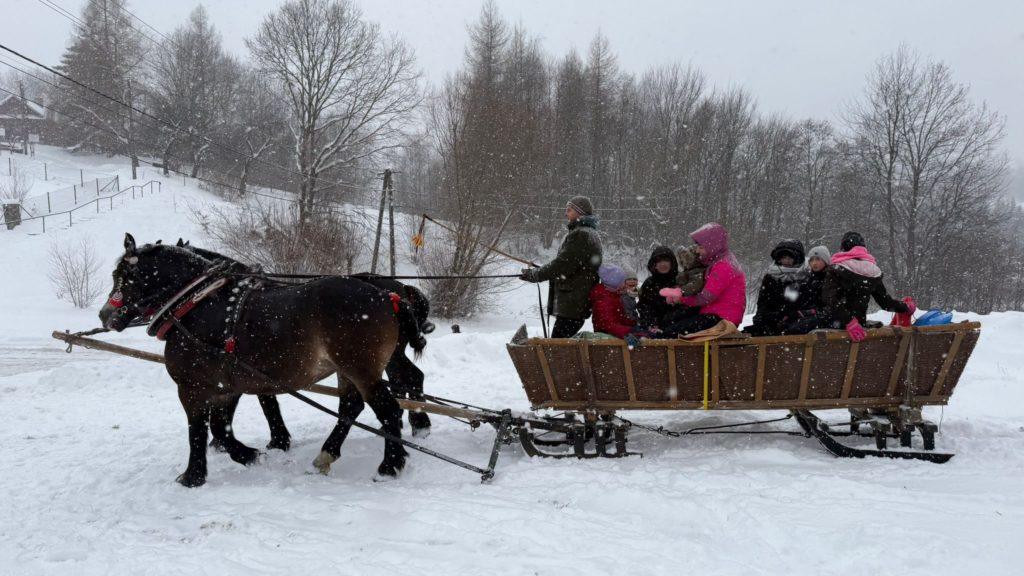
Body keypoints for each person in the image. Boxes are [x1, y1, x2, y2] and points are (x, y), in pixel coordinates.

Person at [787, 232, 913, 341]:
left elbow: (830, 300)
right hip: (858, 323)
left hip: (836, 321)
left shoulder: (837, 268)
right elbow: (886, 302)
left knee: (791, 329)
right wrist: (906, 307)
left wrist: (848, 321)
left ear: (843, 248)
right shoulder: (873, 271)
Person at [520, 196, 603, 338]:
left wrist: (535, 274)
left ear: (579, 212)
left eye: (569, 210)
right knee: (561, 349)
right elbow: (570, 265)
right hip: (576, 304)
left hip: (573, 304)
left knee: (558, 350)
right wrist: (543, 270)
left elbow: (562, 266)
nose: (566, 213)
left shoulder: (581, 234)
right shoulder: (589, 234)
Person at [658, 223, 746, 337]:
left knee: (673, 331)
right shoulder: (719, 261)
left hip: (722, 318)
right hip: (716, 314)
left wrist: (681, 299)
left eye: (701, 247)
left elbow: (705, 297)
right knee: (671, 323)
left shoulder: (723, 266)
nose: (698, 251)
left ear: (713, 246)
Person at [744, 239, 809, 337]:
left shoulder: (804, 277)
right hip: (771, 321)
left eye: (789, 258)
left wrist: (790, 317)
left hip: (795, 323)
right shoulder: (770, 277)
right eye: (783, 258)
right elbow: (763, 302)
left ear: (797, 259)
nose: (786, 261)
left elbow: (804, 304)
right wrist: (761, 318)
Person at [590, 264, 637, 338]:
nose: (624, 284)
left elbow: (621, 317)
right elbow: (608, 324)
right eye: (622, 282)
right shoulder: (603, 299)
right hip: (607, 339)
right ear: (615, 283)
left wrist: (635, 325)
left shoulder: (614, 296)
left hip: (614, 335)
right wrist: (628, 333)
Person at [636, 246, 678, 328]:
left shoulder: (680, 280)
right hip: (652, 327)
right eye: (659, 261)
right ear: (654, 265)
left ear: (672, 263)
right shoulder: (649, 283)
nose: (663, 264)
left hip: (676, 325)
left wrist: (670, 321)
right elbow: (643, 306)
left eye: (666, 260)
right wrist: (651, 323)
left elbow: (685, 306)